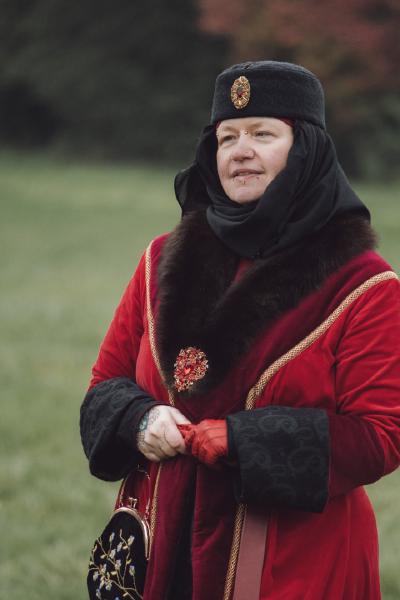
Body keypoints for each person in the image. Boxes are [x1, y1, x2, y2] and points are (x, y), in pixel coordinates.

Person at [80, 61, 400, 600]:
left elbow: (381, 434)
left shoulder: (366, 284)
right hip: (160, 544)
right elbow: (104, 386)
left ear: (306, 150)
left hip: (293, 567)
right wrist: (140, 418)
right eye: (227, 137)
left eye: (263, 134)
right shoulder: (160, 260)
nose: (240, 150)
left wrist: (245, 441)